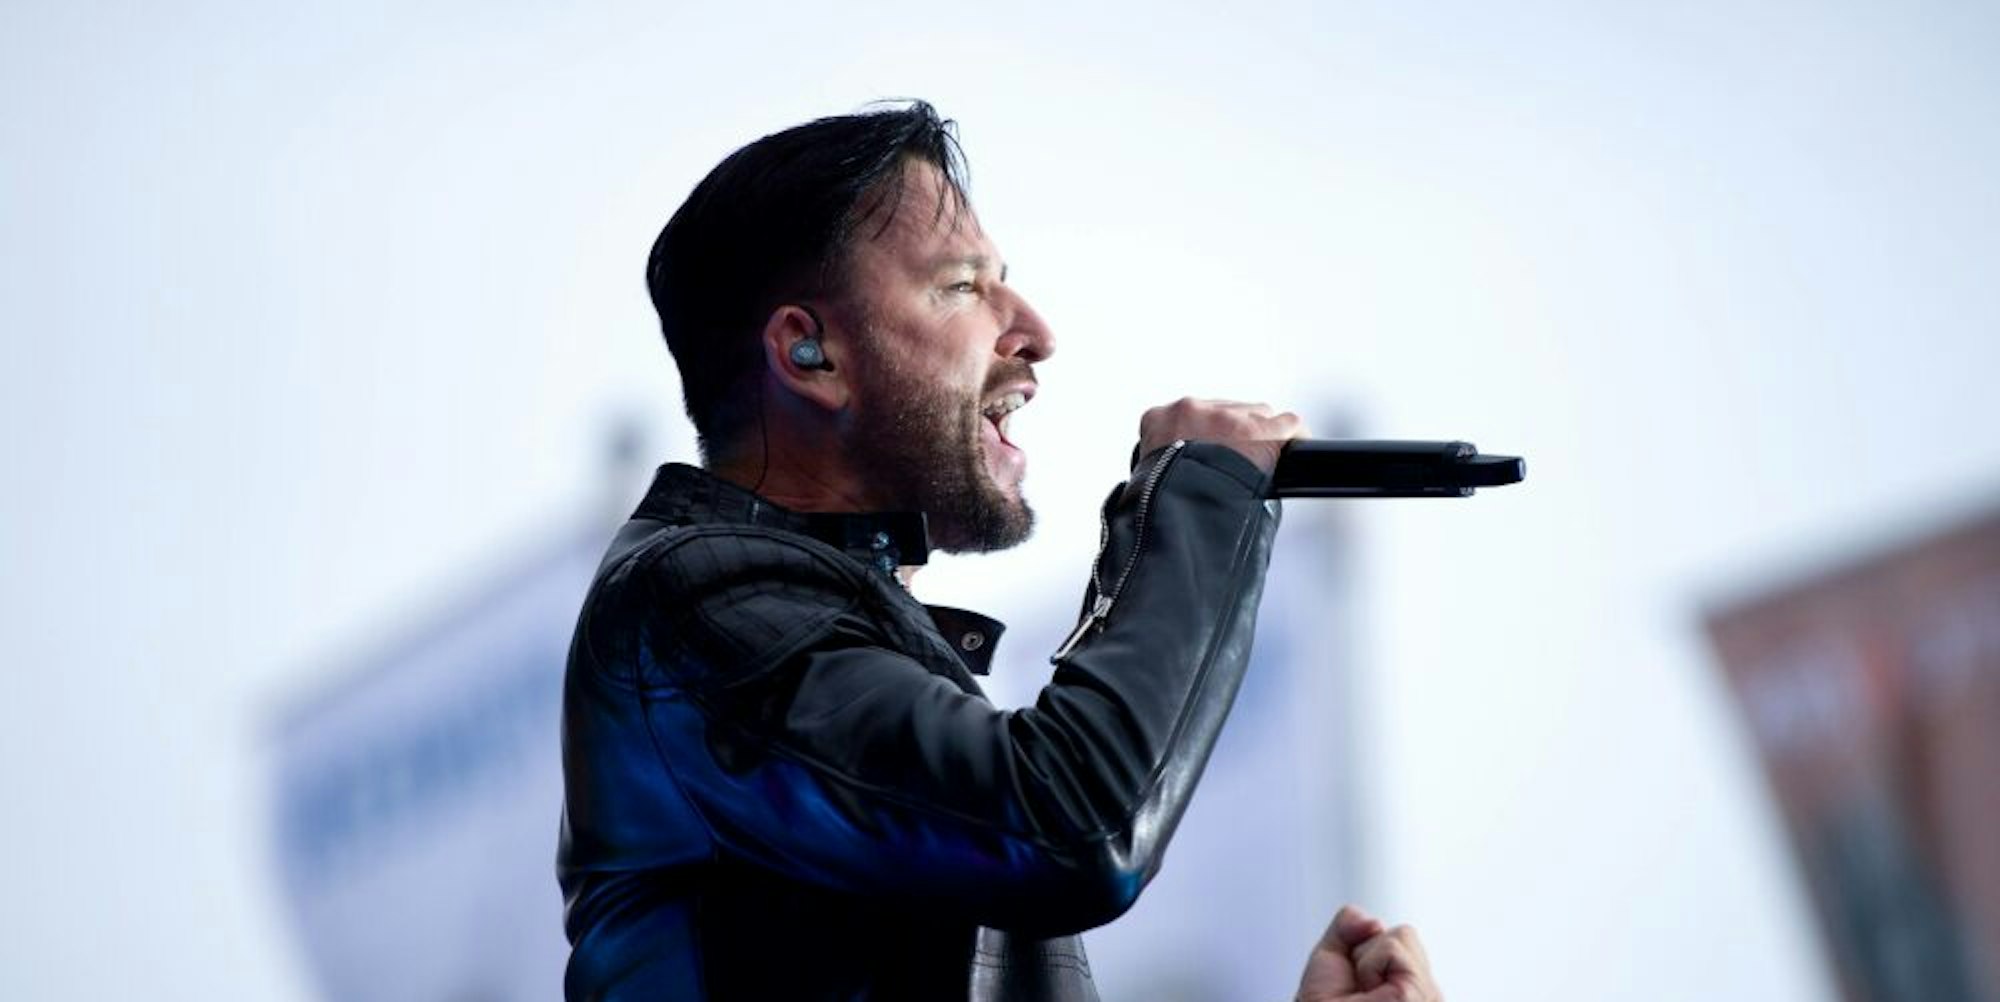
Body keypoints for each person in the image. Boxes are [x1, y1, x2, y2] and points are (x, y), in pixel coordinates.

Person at [556, 100, 1443, 1002]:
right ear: (808, 350)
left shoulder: (796, 621)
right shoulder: (699, 602)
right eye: (961, 287)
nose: (1035, 332)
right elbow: (1071, 825)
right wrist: (1202, 500)